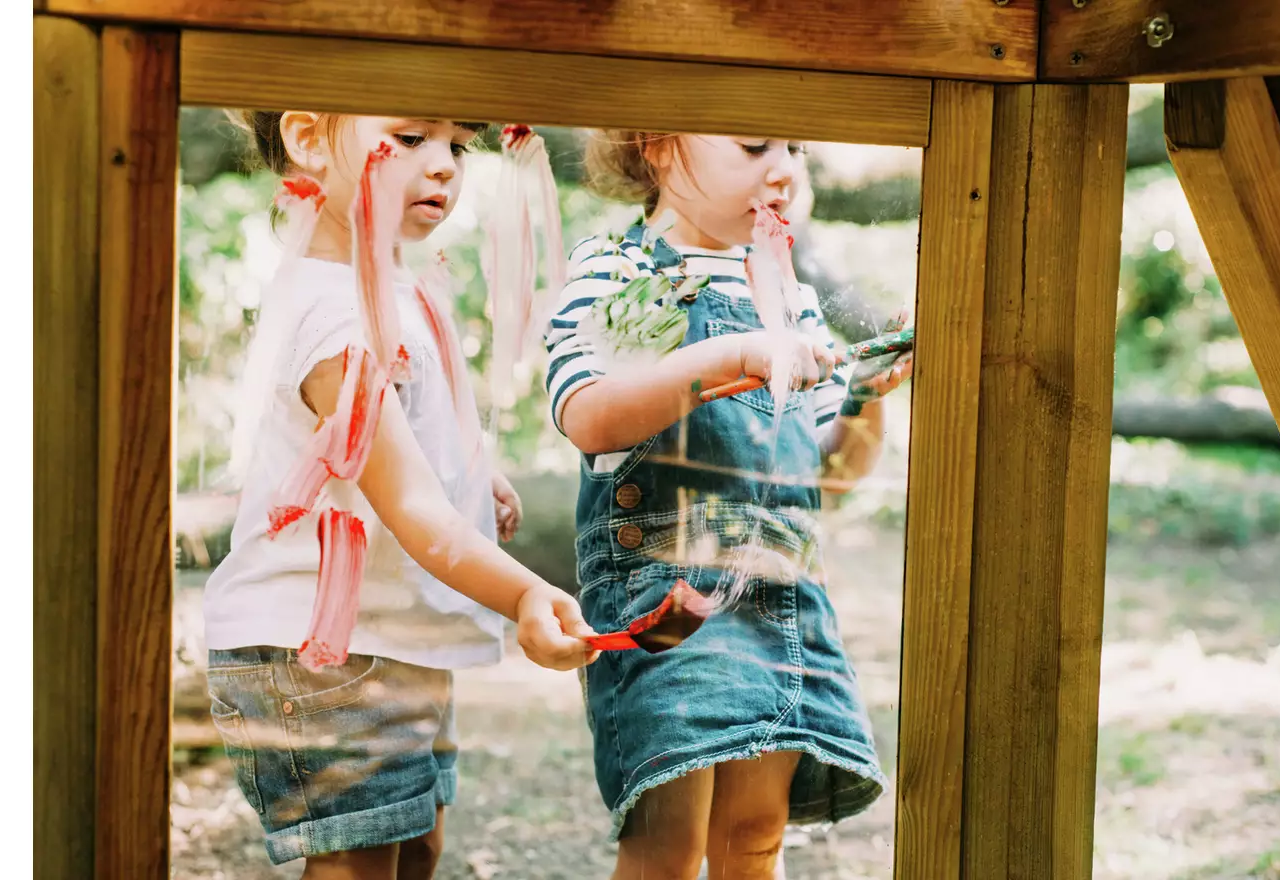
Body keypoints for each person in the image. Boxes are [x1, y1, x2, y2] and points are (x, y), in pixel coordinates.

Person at [203, 111, 598, 880]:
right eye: (413, 138)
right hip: (322, 649)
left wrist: (468, 471)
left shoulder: (384, 280)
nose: (446, 165)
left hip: (390, 635)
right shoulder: (338, 313)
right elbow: (413, 508)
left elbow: (395, 439)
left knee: (416, 845)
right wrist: (526, 595)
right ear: (310, 138)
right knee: (361, 864)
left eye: (458, 144)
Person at [545, 130, 913, 879]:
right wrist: (729, 357)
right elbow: (587, 413)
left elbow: (827, 476)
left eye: (796, 148)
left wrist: (866, 400)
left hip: (783, 595)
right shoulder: (615, 271)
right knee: (666, 845)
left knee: (756, 833)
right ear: (656, 146)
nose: (782, 170)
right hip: (670, 597)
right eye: (752, 144)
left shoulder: (786, 297)